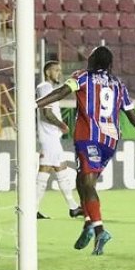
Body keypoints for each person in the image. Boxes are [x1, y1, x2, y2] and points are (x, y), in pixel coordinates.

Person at [35, 46, 135, 255]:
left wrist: (34, 104)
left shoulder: (82, 77)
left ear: (92, 61)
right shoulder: (119, 84)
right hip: (110, 140)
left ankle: (99, 229)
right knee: (82, 181)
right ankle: (88, 223)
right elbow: (134, 116)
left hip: (89, 137)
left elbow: (61, 92)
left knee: (87, 182)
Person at [34, 60, 83, 220]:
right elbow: (45, 113)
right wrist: (61, 124)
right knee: (49, 171)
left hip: (52, 137)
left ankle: (73, 207)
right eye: (56, 70)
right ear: (48, 72)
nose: (59, 73)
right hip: (48, 137)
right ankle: (32, 209)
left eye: (60, 70)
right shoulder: (44, 88)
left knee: (57, 170)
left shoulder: (49, 88)